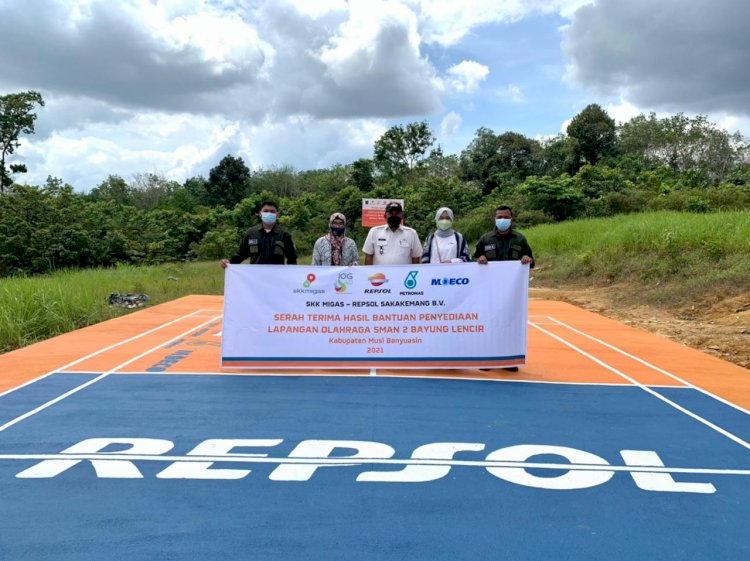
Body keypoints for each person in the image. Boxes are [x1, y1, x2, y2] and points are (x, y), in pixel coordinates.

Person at [474, 205, 534, 372]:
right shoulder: (486, 239)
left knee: (510, 324)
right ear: (495, 219)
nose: (503, 220)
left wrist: (526, 259)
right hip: (489, 291)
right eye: (499, 217)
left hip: (512, 293)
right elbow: (474, 259)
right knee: (488, 323)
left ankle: (509, 360)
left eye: (506, 217)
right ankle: (487, 359)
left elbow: (532, 261)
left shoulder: (520, 240)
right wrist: (480, 258)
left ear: (511, 219)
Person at [220, 200, 297, 268]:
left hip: (276, 280)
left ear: (277, 215)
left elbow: (292, 259)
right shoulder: (251, 233)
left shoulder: (284, 235)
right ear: (260, 213)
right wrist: (229, 263)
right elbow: (241, 254)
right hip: (255, 279)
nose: (269, 213)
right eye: (266, 211)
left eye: (272, 211)